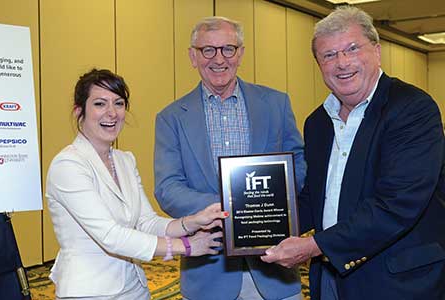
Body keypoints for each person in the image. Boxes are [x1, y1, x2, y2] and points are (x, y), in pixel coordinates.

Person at [261, 6, 445, 300]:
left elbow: (396, 205)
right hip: (331, 278)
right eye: (329, 55)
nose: (342, 63)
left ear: (377, 50)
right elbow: (314, 198)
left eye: (351, 48)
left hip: (399, 282)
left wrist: (313, 247)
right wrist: (257, 220)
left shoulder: (412, 109)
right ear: (319, 64)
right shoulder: (318, 122)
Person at [154, 16, 306, 300]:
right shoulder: (171, 118)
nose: (219, 59)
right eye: (207, 50)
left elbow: (298, 164)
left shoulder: (275, 104)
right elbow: (168, 187)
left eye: (228, 48)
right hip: (208, 272)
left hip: (275, 270)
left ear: (241, 53)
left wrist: (270, 201)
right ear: (193, 56)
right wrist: (230, 208)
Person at [45, 68, 228, 300]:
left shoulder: (124, 160)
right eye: (100, 104)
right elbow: (110, 236)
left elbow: (146, 222)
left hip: (135, 287)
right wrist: (186, 246)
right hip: (90, 292)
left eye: (119, 103)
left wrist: (192, 221)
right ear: (79, 111)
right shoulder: (68, 165)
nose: (111, 113)